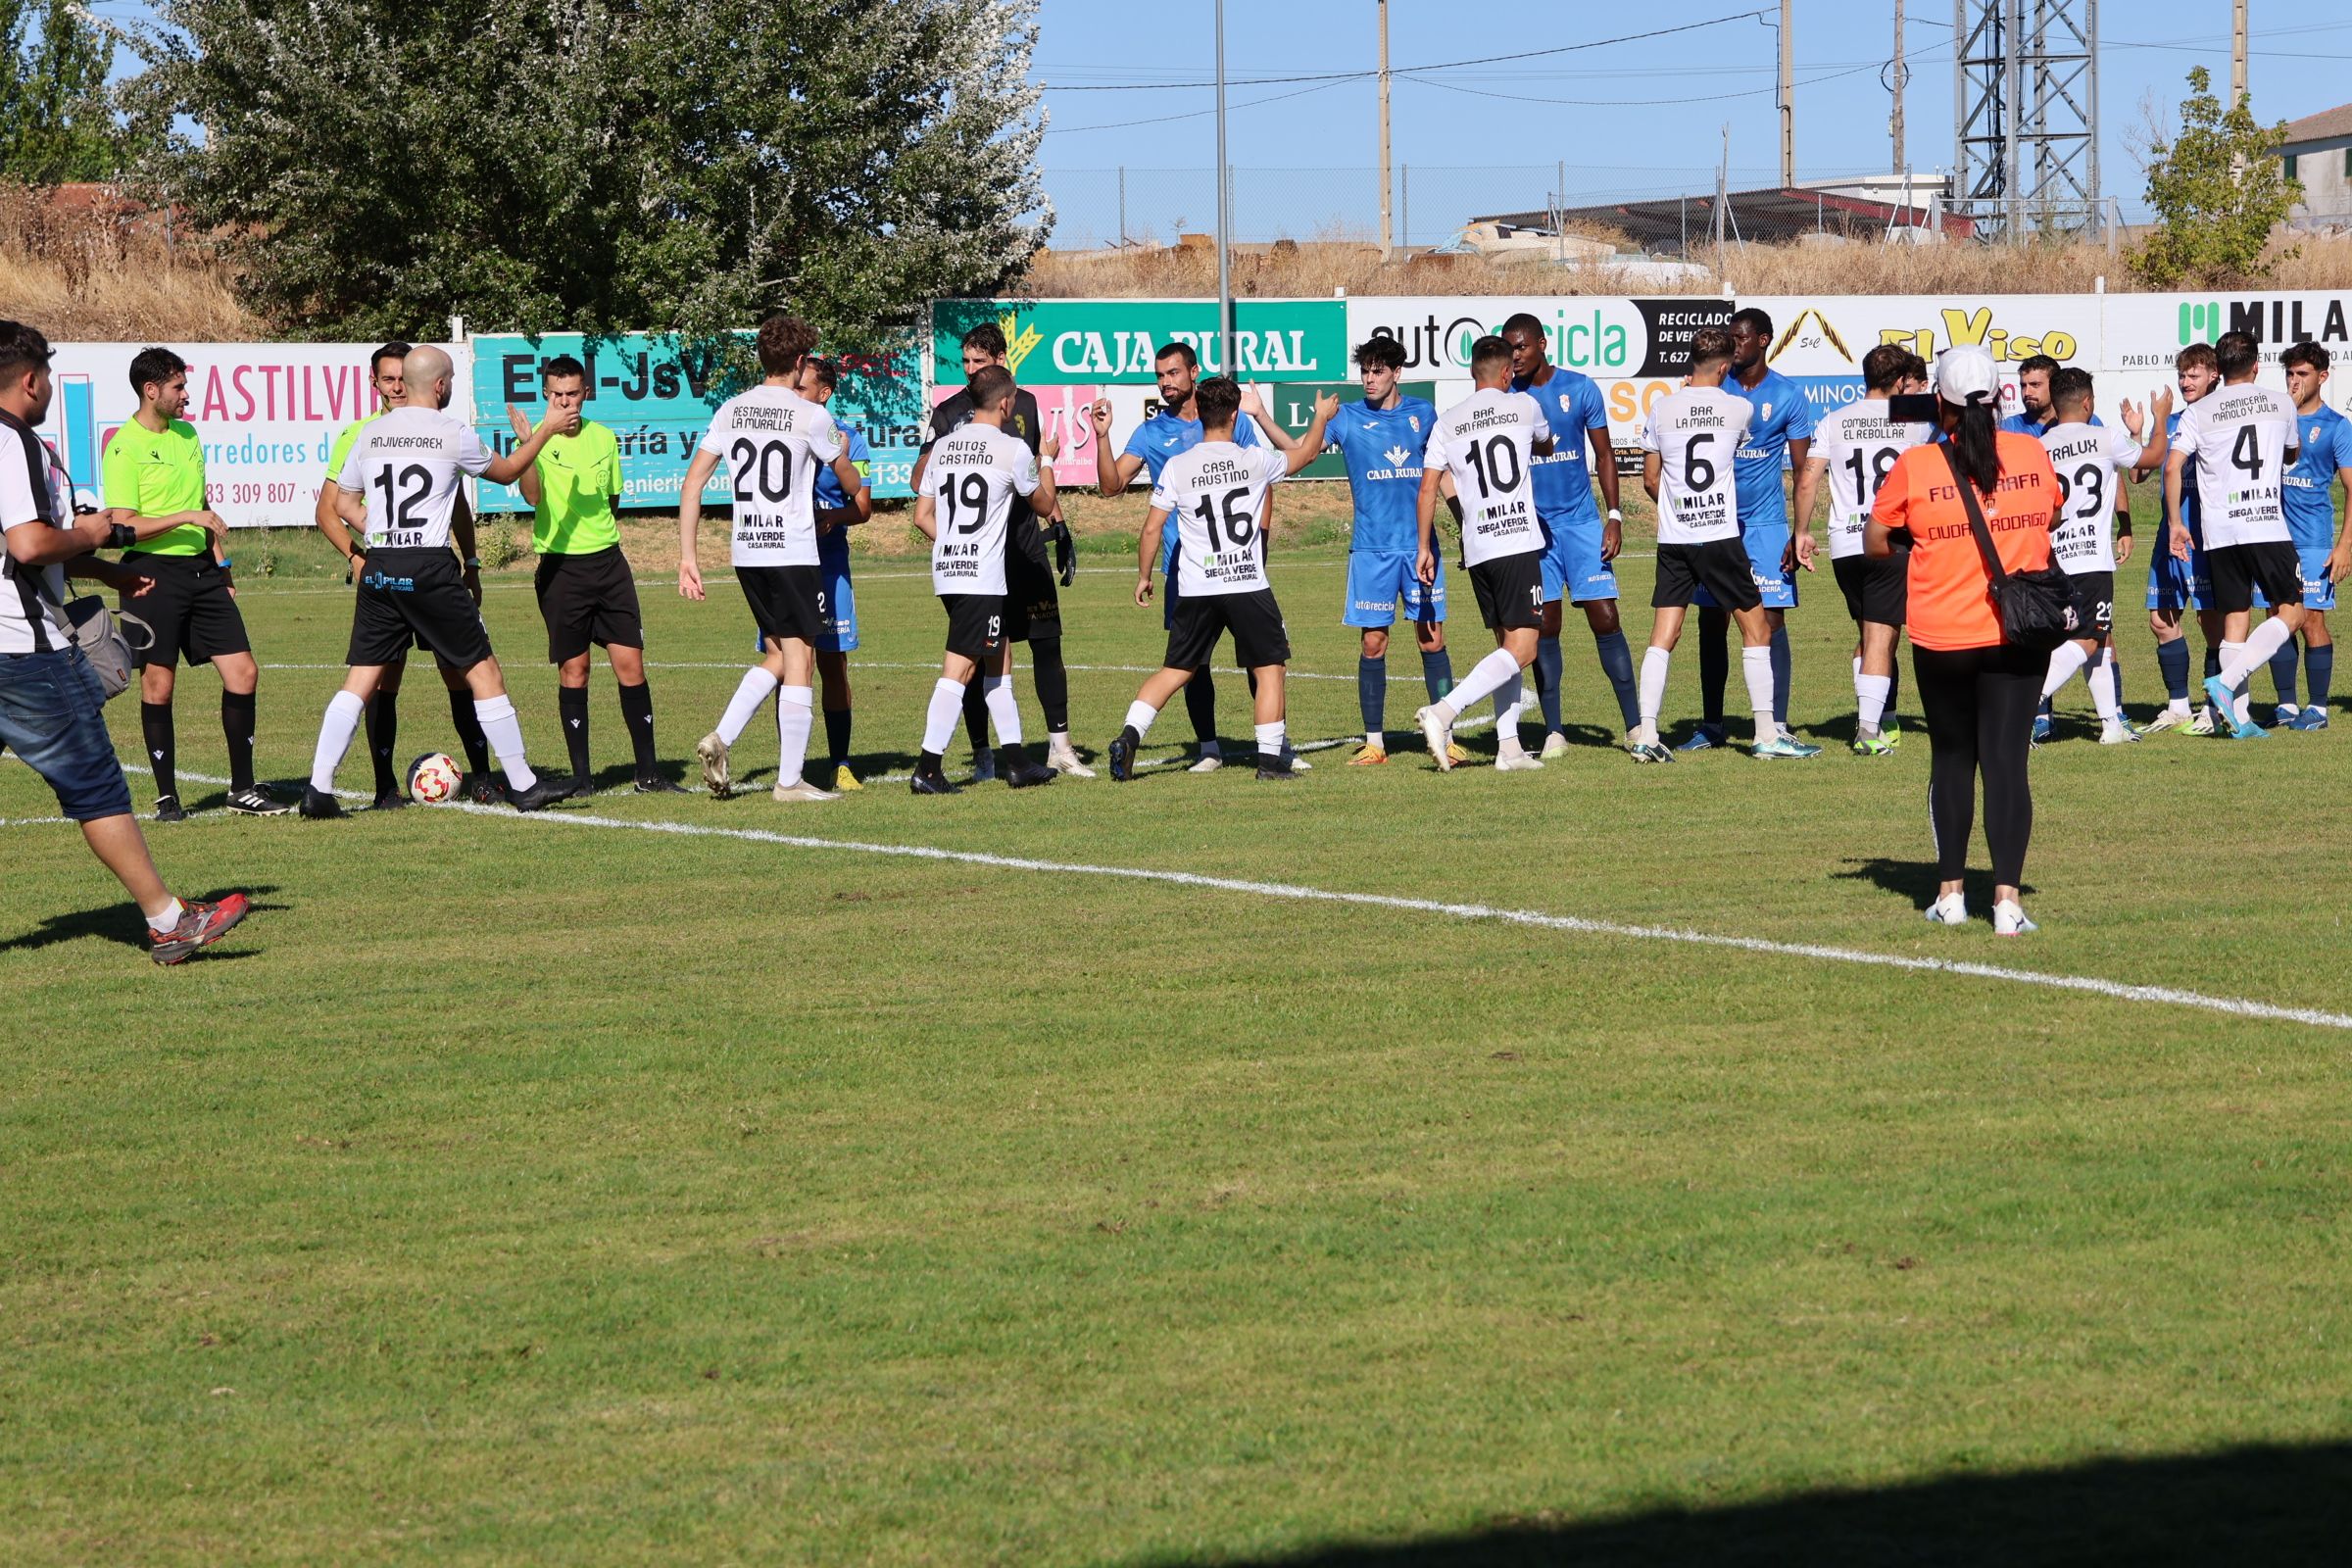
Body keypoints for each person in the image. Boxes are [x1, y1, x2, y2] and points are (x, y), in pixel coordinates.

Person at [0, 318, 251, 962]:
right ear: (30, 380)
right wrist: (94, 536)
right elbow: (29, 544)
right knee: (96, 785)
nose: (50, 385)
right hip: (22, 652)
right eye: (47, 375)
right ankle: (169, 920)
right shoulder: (15, 444)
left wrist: (106, 570)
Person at [304, 345, 573, 816]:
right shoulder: (451, 432)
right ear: (442, 385)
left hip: (383, 565)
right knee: (483, 671)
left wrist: (386, 532)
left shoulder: (370, 434)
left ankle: (318, 790)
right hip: (428, 566)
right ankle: (525, 786)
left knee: (360, 680)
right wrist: (546, 429)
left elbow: (344, 505)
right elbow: (509, 473)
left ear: (404, 383)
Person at [1867, 345, 2064, 936]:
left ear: (1942, 405)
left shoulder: (1919, 464)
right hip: (2016, 632)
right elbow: (2050, 515)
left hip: (1942, 634)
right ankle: (2007, 902)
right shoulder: (2030, 450)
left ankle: (1950, 893)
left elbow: (1877, 539)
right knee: (2007, 765)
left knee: (1951, 758)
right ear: (2003, 396)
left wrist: (1925, 545)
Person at [678, 314, 870, 802]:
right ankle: (789, 781)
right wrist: (843, 460)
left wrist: (687, 557)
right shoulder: (811, 415)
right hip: (793, 549)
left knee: (778, 654)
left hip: (748, 550)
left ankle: (721, 737)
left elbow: (693, 482)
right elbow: (850, 482)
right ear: (801, 361)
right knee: (802, 656)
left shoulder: (730, 410)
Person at [1106, 376, 1334, 782]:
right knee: (1268, 669)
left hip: (1196, 588)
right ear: (1233, 415)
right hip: (1245, 581)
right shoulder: (1254, 459)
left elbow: (1151, 529)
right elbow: (1305, 455)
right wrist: (1319, 419)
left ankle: (1128, 736)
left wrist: (1144, 576)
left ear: (1203, 415)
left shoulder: (1178, 466)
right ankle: (1268, 764)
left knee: (1176, 670)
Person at [98, 347, 290, 817]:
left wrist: (221, 568)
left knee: (244, 672)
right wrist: (186, 515)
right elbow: (123, 525)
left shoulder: (187, 434)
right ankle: (167, 797)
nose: (186, 395)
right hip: (149, 574)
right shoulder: (124, 446)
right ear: (151, 390)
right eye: (178, 387)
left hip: (203, 571)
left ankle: (242, 789)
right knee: (159, 686)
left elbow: (203, 505)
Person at [317, 341, 499, 808]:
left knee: (457, 672)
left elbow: (455, 502)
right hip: (393, 572)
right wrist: (360, 556)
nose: (397, 386)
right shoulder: (361, 433)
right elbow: (329, 509)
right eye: (388, 379)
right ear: (374, 382)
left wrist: (471, 561)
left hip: (434, 569)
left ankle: (482, 776)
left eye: (403, 377)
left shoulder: (435, 428)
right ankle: (384, 787)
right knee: (384, 678)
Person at [1091, 341, 1281, 772]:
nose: (1165, 383)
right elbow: (1111, 485)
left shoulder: (1224, 420)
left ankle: (1275, 745)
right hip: (1185, 569)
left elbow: (1262, 484)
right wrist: (1102, 438)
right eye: (1159, 375)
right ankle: (1209, 748)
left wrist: (1261, 543)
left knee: (1257, 658)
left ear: (1193, 372)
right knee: (1195, 664)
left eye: (1173, 373)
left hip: (1239, 563)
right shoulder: (1151, 432)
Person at [1628, 326, 1813, 763]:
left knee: (1663, 635)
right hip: (1719, 535)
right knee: (1756, 628)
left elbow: (1651, 478)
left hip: (1674, 540)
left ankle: (1647, 734)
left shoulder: (1661, 408)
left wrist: (1677, 508)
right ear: (1726, 366)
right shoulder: (1739, 409)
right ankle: (1767, 733)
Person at [912, 323, 1086, 778]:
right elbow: (1044, 502)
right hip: (983, 571)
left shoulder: (946, 447)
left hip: (951, 567)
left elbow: (920, 515)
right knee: (960, 667)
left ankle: (1016, 761)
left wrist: (954, 541)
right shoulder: (1010, 447)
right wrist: (1047, 458)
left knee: (999, 658)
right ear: (1005, 404)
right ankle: (929, 768)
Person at [505, 354, 679, 796]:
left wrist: (598, 534)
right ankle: (582, 779)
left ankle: (649, 773)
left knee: (631, 664)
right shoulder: (535, 441)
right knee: (575, 670)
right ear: (547, 395)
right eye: (557, 395)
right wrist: (529, 445)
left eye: (573, 394)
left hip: (609, 563)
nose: (566, 403)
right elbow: (532, 498)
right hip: (562, 569)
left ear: (586, 393)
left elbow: (613, 499)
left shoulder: (604, 438)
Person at [1407, 334, 1556, 771]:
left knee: (1506, 645)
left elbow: (1429, 489)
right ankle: (1443, 712)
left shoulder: (1448, 421)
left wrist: (1423, 547)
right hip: (1516, 543)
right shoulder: (1525, 406)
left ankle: (1508, 749)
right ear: (1508, 372)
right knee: (1525, 647)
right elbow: (1546, 443)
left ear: (1473, 373)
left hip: (1478, 547)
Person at [1500, 312, 1639, 755]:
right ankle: (1554, 731)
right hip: (1531, 530)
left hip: (1580, 523)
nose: (1515, 355)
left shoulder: (1580, 388)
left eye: (1521, 346)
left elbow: (1604, 454)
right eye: (1509, 348)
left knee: (1605, 615)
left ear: (1543, 343)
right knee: (1546, 625)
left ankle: (1636, 726)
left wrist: (1613, 515)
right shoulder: (1505, 397)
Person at [1680, 306, 1814, 751]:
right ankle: (1712, 724)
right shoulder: (1715, 387)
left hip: (1765, 525)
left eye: (1742, 337)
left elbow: (1801, 471)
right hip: (1715, 523)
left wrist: (1799, 531)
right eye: (1730, 338)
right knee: (1711, 621)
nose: (1735, 344)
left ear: (1763, 340)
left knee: (1770, 621)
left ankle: (1775, 724)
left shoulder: (1789, 396)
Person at [1324, 337, 1460, 764]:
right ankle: (1375, 743)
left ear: (1396, 373)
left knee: (1432, 640)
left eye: (1378, 370)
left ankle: (1449, 734)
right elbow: (1299, 451)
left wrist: (1465, 525)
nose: (1369, 378)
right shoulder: (1344, 417)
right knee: (1373, 644)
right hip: (1372, 552)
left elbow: (1443, 476)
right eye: (1365, 370)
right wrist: (1261, 416)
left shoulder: (1423, 413)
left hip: (1420, 548)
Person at [1793, 345, 1933, 756]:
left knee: (1871, 633)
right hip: (1890, 540)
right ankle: (1868, 730)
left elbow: (1806, 480)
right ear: (1897, 382)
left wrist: (1801, 531)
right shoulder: (1911, 418)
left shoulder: (1834, 420)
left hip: (1845, 545)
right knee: (1880, 636)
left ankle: (1882, 718)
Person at [2174, 330, 2305, 741]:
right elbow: (2291, 452)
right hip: (2264, 522)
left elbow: (2173, 465)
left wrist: (2176, 523)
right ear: (2256, 366)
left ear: (2219, 368)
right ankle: (2228, 681)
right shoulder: (2282, 402)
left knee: (2236, 618)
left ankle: (2240, 719)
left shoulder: (2199, 411)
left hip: (2220, 529)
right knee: (2293, 612)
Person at [2034, 368, 2168, 745]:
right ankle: (2029, 700)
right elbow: (2154, 457)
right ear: (2089, 402)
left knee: (2099, 638)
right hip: (2090, 560)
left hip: (2053, 558)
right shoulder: (2105, 438)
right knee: (2091, 638)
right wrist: (2159, 417)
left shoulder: (2040, 447)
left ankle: (2111, 725)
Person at [798, 355, 876, 784]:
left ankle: (840, 764)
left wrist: (832, 518)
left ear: (824, 394)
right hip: (788, 563)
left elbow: (862, 508)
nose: (795, 394)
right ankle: (794, 764)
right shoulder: (784, 432)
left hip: (829, 565)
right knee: (791, 663)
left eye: (803, 388)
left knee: (832, 665)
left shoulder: (851, 441)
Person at [2268, 341, 2352, 729]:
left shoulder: (2336, 426)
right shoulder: (2272, 419)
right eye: (2290, 373)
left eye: (2302, 374)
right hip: (2270, 539)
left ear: (2322, 377)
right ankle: (2286, 704)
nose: (2294, 381)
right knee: (2275, 619)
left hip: (2314, 540)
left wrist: (2344, 545)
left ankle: (2317, 707)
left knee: (2311, 620)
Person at [2145, 342, 2225, 734]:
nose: (2186, 381)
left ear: (2214, 375)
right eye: (2182, 374)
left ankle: (2213, 707)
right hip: (2167, 533)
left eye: (2194, 374)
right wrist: (2146, 429)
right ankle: (2178, 704)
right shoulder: (2172, 420)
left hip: (2206, 536)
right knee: (2161, 619)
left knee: (2212, 621)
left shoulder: (2223, 418)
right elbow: (2141, 471)